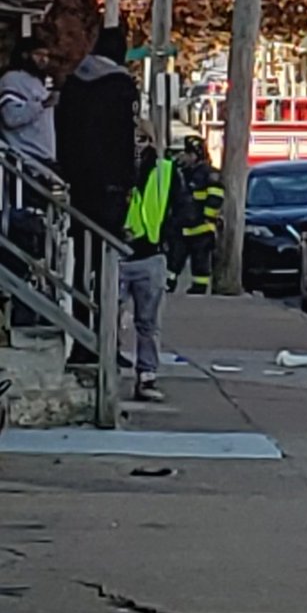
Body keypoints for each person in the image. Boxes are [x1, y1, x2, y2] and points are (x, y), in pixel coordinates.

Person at [55, 26, 138, 362]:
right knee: (107, 269)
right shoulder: (120, 87)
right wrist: (125, 180)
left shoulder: (75, 83)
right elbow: (124, 138)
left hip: (80, 186)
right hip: (110, 189)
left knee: (81, 266)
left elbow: (63, 130)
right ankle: (106, 341)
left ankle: (82, 338)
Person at [121, 120, 184, 402]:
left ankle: (147, 377)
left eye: (143, 138)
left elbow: (180, 215)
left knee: (148, 323)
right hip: (116, 252)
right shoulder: (112, 164)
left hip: (151, 256)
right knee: (107, 318)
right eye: (133, 137)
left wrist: (173, 263)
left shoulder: (166, 172)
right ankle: (107, 367)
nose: (137, 144)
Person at [167, 134, 224, 294]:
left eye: (187, 153)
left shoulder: (209, 174)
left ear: (195, 155)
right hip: (181, 226)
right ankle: (168, 283)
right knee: (174, 259)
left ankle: (199, 287)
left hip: (201, 228)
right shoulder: (182, 172)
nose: (183, 156)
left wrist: (208, 218)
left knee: (200, 260)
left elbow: (215, 196)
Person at [0, 35, 58, 172]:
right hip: (23, 160)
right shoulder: (11, 80)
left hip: (43, 159)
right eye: (39, 54)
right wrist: (42, 104)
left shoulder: (39, 83)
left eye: (47, 55)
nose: (44, 59)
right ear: (24, 55)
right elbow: (11, 117)